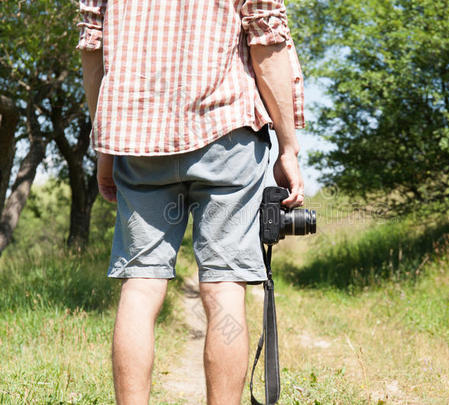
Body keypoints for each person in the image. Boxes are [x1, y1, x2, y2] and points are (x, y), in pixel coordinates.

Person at [76, 0, 306, 403]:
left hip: (138, 137)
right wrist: (287, 147)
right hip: (226, 131)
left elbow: (93, 48)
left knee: (142, 285)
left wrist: (104, 149)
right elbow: (266, 42)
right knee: (223, 287)